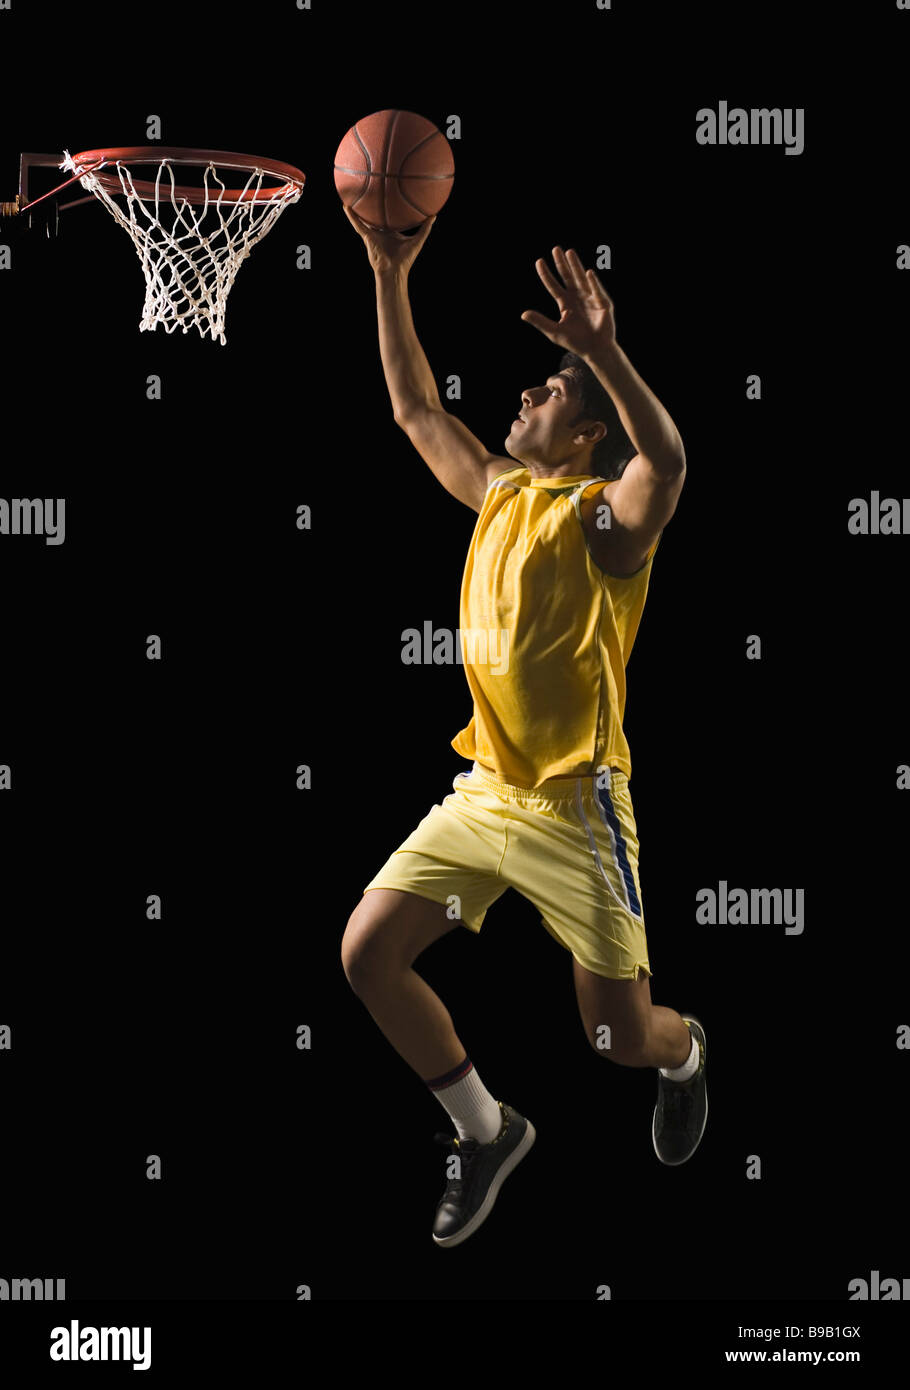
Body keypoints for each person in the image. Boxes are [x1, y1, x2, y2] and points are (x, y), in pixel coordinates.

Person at [340, 206, 707, 1249]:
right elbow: (415, 408)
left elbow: (668, 464)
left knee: (616, 1036)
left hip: (575, 812)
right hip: (486, 793)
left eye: (547, 390)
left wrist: (603, 352)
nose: (524, 392)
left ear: (587, 431)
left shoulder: (603, 521)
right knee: (367, 954)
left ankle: (685, 1057)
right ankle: (485, 1130)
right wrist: (385, 268)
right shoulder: (500, 492)